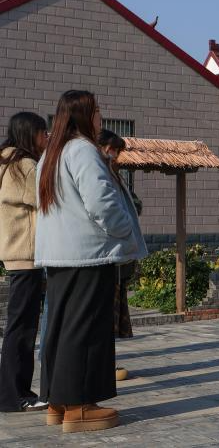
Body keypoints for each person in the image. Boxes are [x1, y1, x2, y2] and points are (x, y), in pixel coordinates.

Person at [35, 91, 147, 433]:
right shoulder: (83, 150)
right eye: (97, 111)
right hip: (88, 253)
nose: (100, 117)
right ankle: (79, 407)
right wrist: (124, 229)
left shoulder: (51, 153)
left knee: (61, 328)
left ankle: (58, 402)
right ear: (84, 115)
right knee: (86, 329)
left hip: (60, 254)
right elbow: (101, 203)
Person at [0, 112, 49, 413]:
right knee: (22, 327)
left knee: (21, 326)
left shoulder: (8, 161)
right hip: (25, 254)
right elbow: (47, 198)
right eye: (43, 133)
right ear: (30, 134)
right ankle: (13, 395)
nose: (46, 138)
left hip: (18, 252)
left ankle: (17, 391)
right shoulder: (23, 164)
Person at [96, 130, 139, 383]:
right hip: (104, 255)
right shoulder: (95, 171)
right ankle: (102, 365)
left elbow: (135, 203)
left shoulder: (115, 174)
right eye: (113, 149)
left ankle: (107, 362)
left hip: (119, 260)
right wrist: (124, 225)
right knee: (101, 318)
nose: (116, 155)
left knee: (112, 317)